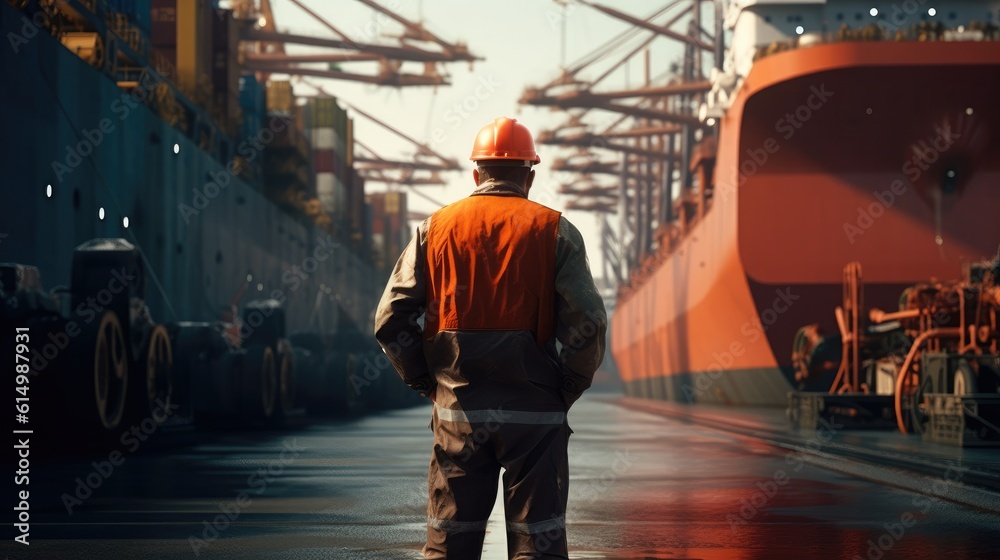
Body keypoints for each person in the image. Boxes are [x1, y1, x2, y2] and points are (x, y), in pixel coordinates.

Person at [374, 116, 607, 559]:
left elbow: (389, 320)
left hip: (458, 417)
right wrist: (567, 387)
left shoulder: (433, 230)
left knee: (450, 548)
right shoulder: (556, 231)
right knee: (537, 549)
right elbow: (589, 323)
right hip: (536, 418)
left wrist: (428, 383)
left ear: (476, 173)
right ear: (530, 176)